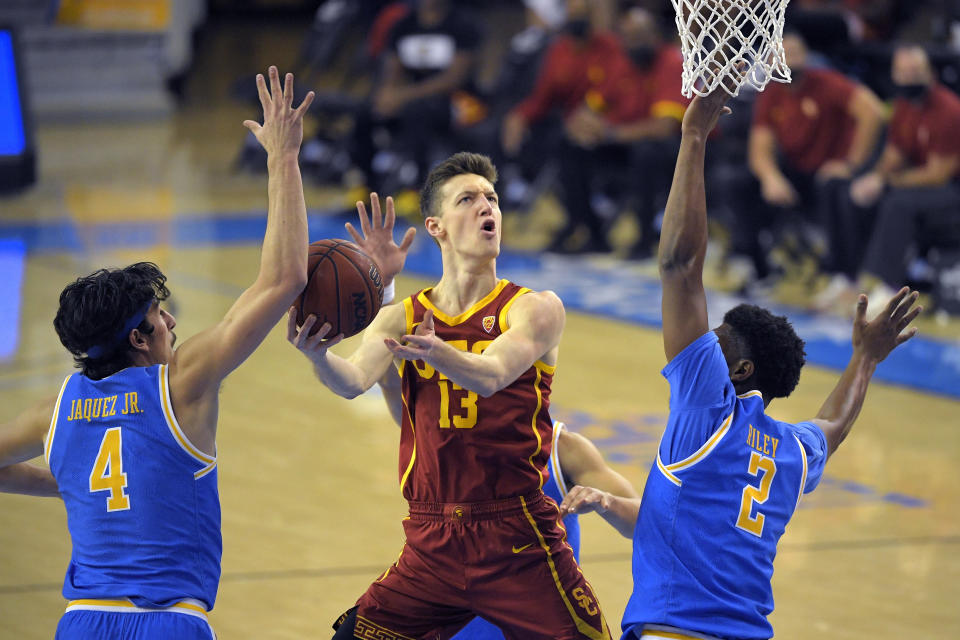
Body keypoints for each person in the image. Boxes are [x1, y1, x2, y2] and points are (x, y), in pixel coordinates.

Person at [572, 84, 921, 640]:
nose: (704, 338)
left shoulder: (707, 411)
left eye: (720, 340)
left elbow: (680, 265)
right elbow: (831, 424)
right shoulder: (789, 453)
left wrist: (692, 137)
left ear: (736, 373)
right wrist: (866, 360)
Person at [0, 67, 314, 639]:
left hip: (81, 625)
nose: (172, 321)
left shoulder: (56, 412)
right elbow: (285, 278)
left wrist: (67, 481)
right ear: (139, 340)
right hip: (167, 623)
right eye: (158, 317)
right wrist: (282, 158)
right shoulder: (180, 382)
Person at [288, 153, 613, 639]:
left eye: (493, 198)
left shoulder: (535, 309)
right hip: (431, 540)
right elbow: (353, 381)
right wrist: (317, 354)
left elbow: (492, 374)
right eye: (469, 198)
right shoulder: (401, 317)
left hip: (517, 537)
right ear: (436, 226)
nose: (488, 207)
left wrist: (437, 352)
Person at [373, 368, 640, 639]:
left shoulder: (562, 448)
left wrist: (607, 501)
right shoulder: (441, 438)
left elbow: (643, 521)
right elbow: (394, 388)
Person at [821, 44, 960, 313]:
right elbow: (894, 154)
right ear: (894, 76)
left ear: (931, 74)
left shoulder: (950, 110)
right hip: (918, 184)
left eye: (915, 72)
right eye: (903, 73)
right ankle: (848, 277)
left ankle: (888, 287)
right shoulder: (903, 106)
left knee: (898, 203)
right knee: (849, 192)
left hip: (951, 192)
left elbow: (938, 175)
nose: (909, 79)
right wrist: (874, 178)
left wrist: (887, 183)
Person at [744, 30, 884, 285]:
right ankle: (758, 267)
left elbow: (873, 112)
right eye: (783, 54)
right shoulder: (771, 92)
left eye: (795, 53)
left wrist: (851, 164)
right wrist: (771, 177)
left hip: (831, 171)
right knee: (740, 182)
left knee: (834, 188)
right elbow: (759, 147)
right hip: (797, 171)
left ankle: (841, 276)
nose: (790, 60)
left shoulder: (827, 82)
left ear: (807, 57)